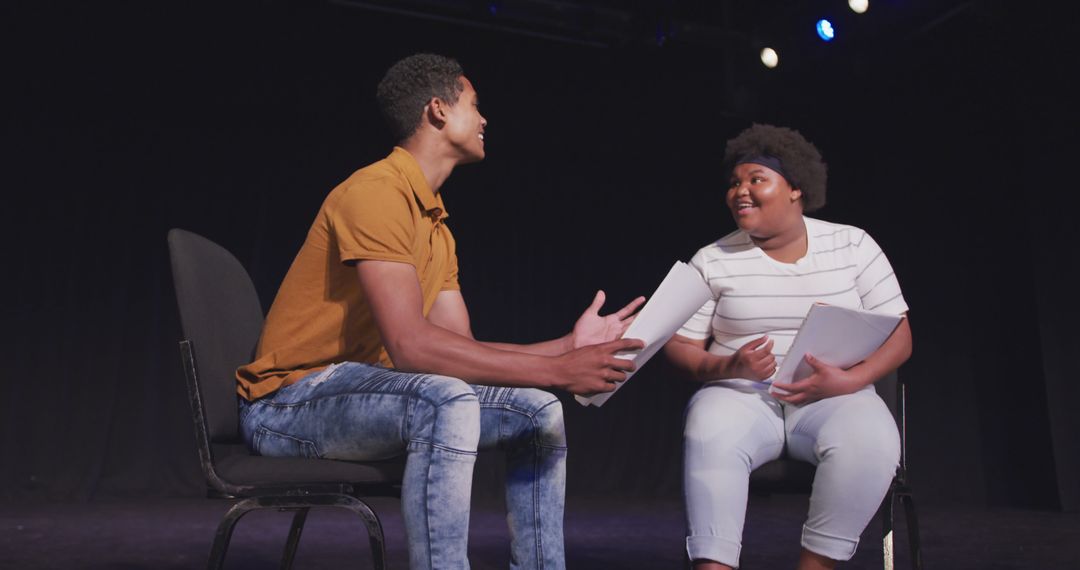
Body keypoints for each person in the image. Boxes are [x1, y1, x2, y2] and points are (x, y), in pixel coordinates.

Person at [235, 53, 645, 570]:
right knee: (446, 401)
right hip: (287, 403)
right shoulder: (376, 192)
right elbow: (412, 347)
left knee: (537, 412)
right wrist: (560, 370)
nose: (484, 119)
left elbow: (460, 352)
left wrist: (568, 347)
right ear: (438, 111)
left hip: (364, 396)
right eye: (475, 105)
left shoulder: (436, 228)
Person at [663, 124, 912, 570]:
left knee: (871, 440)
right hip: (740, 395)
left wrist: (849, 379)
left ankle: (816, 565)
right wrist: (728, 365)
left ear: (796, 187)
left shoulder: (853, 245)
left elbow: (900, 336)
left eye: (756, 179)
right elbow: (679, 346)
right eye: (735, 182)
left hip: (833, 394)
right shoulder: (713, 258)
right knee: (708, 432)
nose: (740, 190)